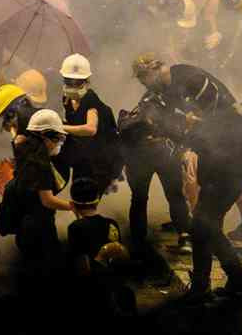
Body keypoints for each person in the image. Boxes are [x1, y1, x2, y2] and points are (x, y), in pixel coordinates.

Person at [132, 54, 242, 301]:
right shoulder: (167, 89)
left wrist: (190, 143)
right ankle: (222, 282)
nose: (145, 87)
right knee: (203, 225)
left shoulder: (192, 81)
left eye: (145, 81)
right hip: (217, 160)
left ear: (155, 71)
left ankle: (221, 282)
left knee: (203, 224)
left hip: (234, 158)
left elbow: (213, 123)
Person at [121, 90, 193, 254]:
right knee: (175, 196)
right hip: (163, 155)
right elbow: (178, 135)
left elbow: (124, 137)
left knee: (139, 199)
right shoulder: (167, 110)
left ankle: (138, 242)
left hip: (140, 158)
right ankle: (185, 236)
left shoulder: (137, 112)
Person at [12, 108, 72, 275]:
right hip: (38, 225)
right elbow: (47, 200)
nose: (59, 143)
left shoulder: (23, 148)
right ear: (44, 136)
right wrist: (74, 206)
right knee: (47, 267)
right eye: (57, 138)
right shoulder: (40, 164)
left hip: (22, 222)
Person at [56, 54, 122, 194]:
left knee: (90, 197)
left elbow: (91, 129)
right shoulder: (66, 99)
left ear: (86, 82)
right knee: (78, 193)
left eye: (77, 82)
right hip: (83, 156)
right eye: (69, 81)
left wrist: (61, 127)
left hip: (102, 158)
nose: (72, 86)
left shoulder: (91, 99)